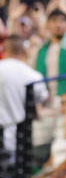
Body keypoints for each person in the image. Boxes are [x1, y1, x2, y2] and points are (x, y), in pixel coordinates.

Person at [0, 36, 48, 166]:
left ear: (4, 49)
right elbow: (42, 99)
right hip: (18, 138)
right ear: (24, 50)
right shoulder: (32, 75)